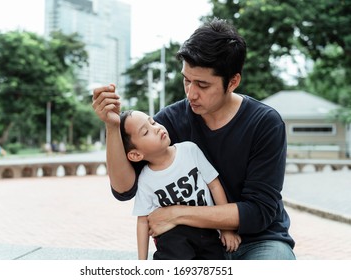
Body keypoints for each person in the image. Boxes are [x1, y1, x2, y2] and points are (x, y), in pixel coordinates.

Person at [92, 18, 296, 260]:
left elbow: (258, 212)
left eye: (202, 84)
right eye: (187, 80)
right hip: (195, 245)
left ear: (232, 82)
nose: (191, 93)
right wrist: (112, 127)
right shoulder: (169, 121)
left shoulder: (265, 123)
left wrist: (176, 214)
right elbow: (124, 189)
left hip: (259, 242)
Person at [120, 110, 241, 260]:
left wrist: (226, 229)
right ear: (136, 155)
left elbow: (214, 185)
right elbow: (143, 221)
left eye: (153, 122)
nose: (156, 128)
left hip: (208, 231)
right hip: (173, 239)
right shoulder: (145, 179)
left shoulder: (189, 150)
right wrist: (141, 262)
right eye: (146, 132)